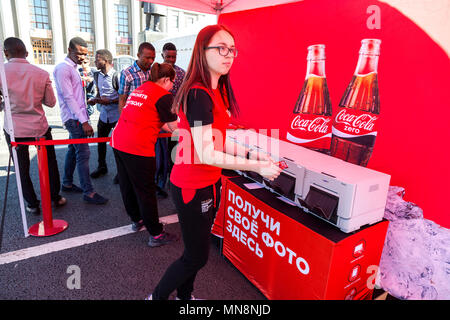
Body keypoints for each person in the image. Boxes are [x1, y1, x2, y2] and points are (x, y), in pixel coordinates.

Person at [148, 25, 281, 300]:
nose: (229, 54)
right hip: (191, 186)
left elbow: (217, 139)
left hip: (208, 183)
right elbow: (207, 152)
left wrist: (250, 154)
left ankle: (185, 297)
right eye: (221, 48)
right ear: (202, 51)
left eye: (232, 49)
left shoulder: (216, 90)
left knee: (194, 254)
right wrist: (257, 168)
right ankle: (157, 297)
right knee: (196, 257)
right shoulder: (197, 94)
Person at [110, 62, 178, 247]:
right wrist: (197, 132)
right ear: (165, 80)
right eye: (173, 82)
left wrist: (173, 130)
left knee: (128, 184)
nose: (173, 85)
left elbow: (159, 121)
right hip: (137, 147)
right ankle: (156, 233)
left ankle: (136, 219)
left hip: (118, 141)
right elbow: (175, 127)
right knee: (146, 190)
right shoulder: (163, 96)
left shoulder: (142, 89)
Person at [0, 37, 66, 214]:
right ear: (25, 52)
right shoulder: (41, 73)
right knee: (50, 162)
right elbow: (51, 102)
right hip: (39, 127)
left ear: (6, 52)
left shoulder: (1, 72)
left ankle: (31, 203)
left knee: (21, 168)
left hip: (14, 129)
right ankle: (55, 197)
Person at [53, 37, 108, 205]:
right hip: (74, 118)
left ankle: (67, 183)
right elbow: (69, 97)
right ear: (69, 50)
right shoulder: (64, 69)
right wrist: (84, 121)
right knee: (83, 154)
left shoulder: (73, 68)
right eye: (79, 53)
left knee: (72, 150)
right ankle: (89, 192)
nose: (83, 57)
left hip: (76, 117)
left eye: (85, 54)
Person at [154, 42, 186, 198]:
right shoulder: (156, 72)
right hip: (159, 120)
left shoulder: (181, 73)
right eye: (168, 57)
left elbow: (182, 96)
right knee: (159, 154)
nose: (171, 59)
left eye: (174, 56)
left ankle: (173, 182)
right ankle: (159, 184)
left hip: (174, 118)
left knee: (174, 152)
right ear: (162, 55)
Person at [87, 49, 120, 181]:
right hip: (103, 116)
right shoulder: (96, 76)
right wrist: (95, 100)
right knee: (101, 143)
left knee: (118, 145)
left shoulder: (116, 76)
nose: (95, 62)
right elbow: (99, 93)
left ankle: (121, 172)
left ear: (106, 61)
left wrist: (110, 101)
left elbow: (125, 97)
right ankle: (102, 167)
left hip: (116, 116)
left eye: (97, 59)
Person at [118, 42, 155, 113]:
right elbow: (122, 99)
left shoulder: (154, 71)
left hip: (150, 114)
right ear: (138, 55)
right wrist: (123, 119)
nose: (151, 61)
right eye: (147, 58)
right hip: (133, 115)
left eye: (153, 58)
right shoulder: (127, 73)